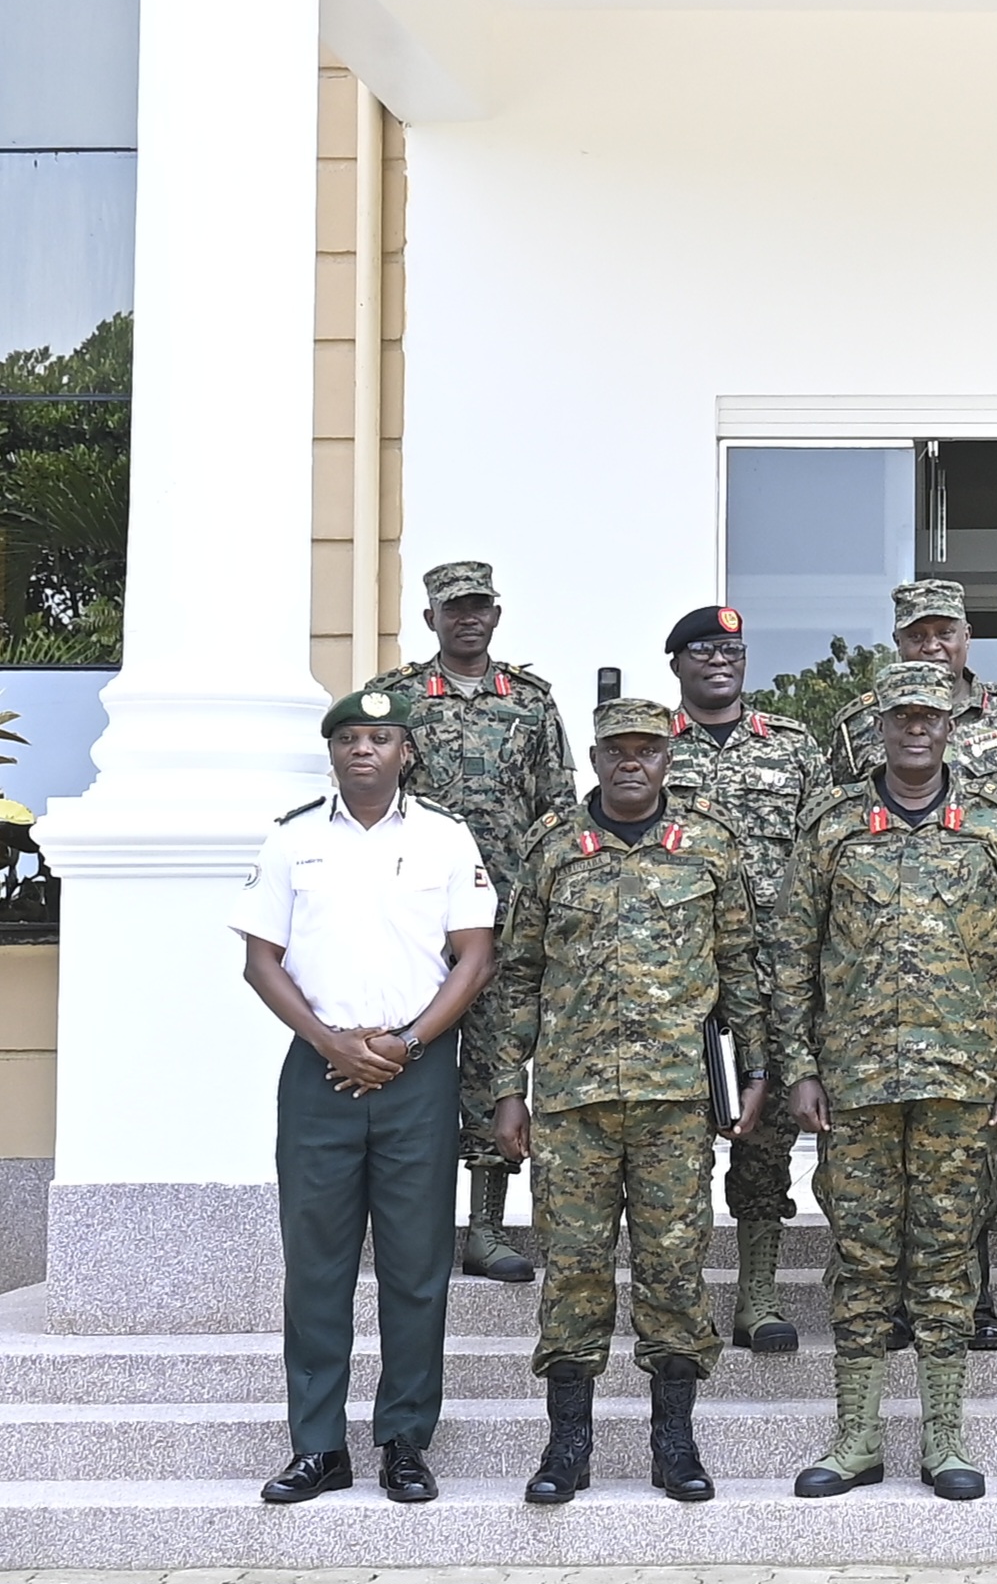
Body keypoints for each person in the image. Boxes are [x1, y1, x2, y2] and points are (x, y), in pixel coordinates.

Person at [773, 659, 997, 1501]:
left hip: (961, 1081)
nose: (916, 728)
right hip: (854, 1083)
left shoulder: (996, 824)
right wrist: (799, 1067)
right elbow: (791, 957)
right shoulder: (831, 826)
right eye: (902, 716)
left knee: (944, 1258)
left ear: (951, 723)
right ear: (880, 725)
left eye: (931, 715)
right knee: (860, 1260)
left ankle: (943, 1438)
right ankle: (857, 1435)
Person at [490, 696, 767, 1507]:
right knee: (573, 1268)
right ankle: (566, 1444)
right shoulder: (553, 849)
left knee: (674, 1270)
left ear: (668, 758)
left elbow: (742, 967)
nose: (632, 762)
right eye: (618, 749)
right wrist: (508, 1089)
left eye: (647, 748)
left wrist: (753, 1073)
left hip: (676, 1102)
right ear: (597, 757)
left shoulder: (710, 845)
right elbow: (517, 977)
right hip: (573, 1103)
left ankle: (673, 1442)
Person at [232, 687, 497, 1506]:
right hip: (319, 1073)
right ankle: (317, 1445)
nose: (364, 750)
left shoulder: (447, 838)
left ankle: (404, 1441)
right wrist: (330, 1041)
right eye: (350, 736)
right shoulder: (292, 838)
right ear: (333, 751)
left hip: (418, 1072)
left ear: (406, 752)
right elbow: (261, 961)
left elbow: (475, 957)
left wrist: (406, 1044)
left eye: (381, 737)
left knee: (417, 1267)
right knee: (318, 1267)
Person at [832, 577, 997, 1350]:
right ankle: (887, 1304)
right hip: (873, 997)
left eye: (944, 630)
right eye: (917, 632)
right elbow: (838, 841)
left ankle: (970, 1299)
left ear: (967, 635)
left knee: (967, 1166)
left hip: (971, 986)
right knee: (877, 1179)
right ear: (898, 639)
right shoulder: (860, 724)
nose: (931, 643)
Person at [366, 558, 574, 1285]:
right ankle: (412, 1223)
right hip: (418, 911)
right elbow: (372, 798)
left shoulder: (531, 703)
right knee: (409, 1059)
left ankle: (486, 1227)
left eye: (479, 605)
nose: (468, 618)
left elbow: (558, 808)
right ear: (431, 618)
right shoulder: (394, 702)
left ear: (496, 612)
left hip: (505, 912)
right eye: (453, 608)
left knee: (494, 1061)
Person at [663, 601, 829, 1357]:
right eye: (701, 651)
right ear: (678, 665)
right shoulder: (649, 747)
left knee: (766, 1146)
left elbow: (827, 851)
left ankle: (757, 1296)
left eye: (730, 650)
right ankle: (685, 1298)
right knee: (679, 1147)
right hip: (681, 980)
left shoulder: (793, 747)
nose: (718, 661)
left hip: (775, 976)